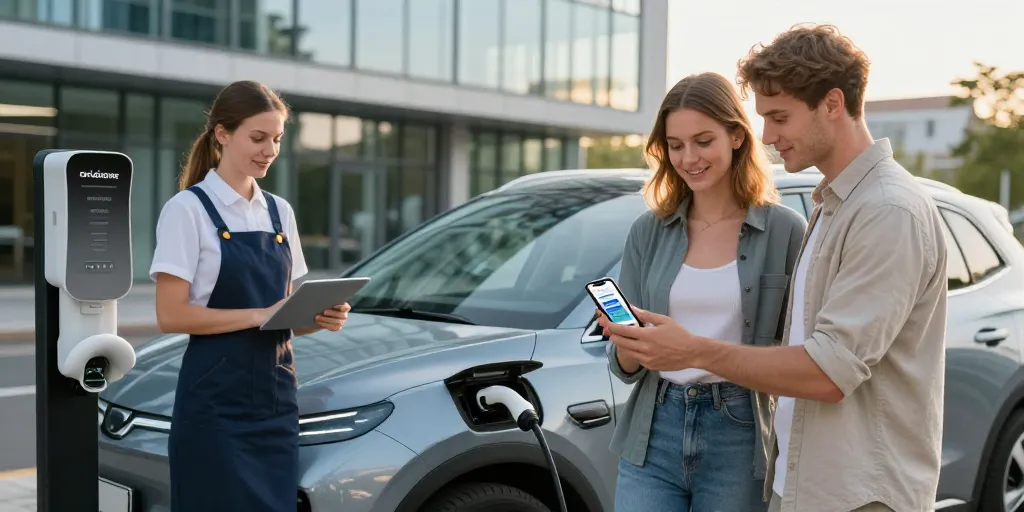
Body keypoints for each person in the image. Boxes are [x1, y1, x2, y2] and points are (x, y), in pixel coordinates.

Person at [601, 24, 948, 512]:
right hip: (803, 476)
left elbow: (829, 370)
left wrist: (693, 350)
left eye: (779, 117)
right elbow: (804, 346)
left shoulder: (885, 211)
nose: (768, 135)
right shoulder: (831, 207)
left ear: (831, 103)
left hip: (855, 490)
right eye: (675, 145)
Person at [602, 72, 807, 512]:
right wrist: (627, 343)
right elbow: (625, 368)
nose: (688, 158)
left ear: (736, 136)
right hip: (653, 428)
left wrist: (694, 350)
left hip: (739, 430)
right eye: (676, 146)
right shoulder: (648, 231)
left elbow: (800, 353)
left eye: (702, 141)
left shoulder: (784, 230)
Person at [150, 80, 351, 512]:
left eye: (277, 139)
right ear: (222, 134)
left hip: (276, 401)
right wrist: (261, 313)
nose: (269, 150)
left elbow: (282, 318)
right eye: (258, 138)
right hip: (214, 408)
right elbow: (171, 315)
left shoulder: (280, 211)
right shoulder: (187, 210)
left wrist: (317, 318)